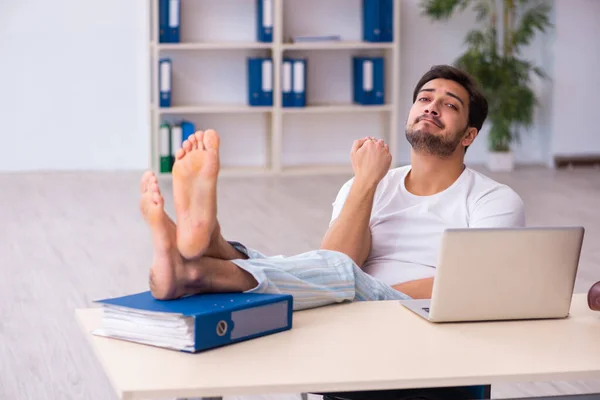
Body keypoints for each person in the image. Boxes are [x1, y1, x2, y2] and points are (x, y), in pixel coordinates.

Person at [139, 64, 526, 309]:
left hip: (417, 312)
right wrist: (366, 181)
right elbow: (339, 259)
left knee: (339, 278)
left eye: (449, 105)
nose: (431, 106)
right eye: (424, 98)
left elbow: (474, 283)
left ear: (469, 136)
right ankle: (201, 258)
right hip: (342, 295)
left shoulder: (494, 200)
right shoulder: (368, 181)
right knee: (333, 272)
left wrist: (365, 294)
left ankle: (209, 252)